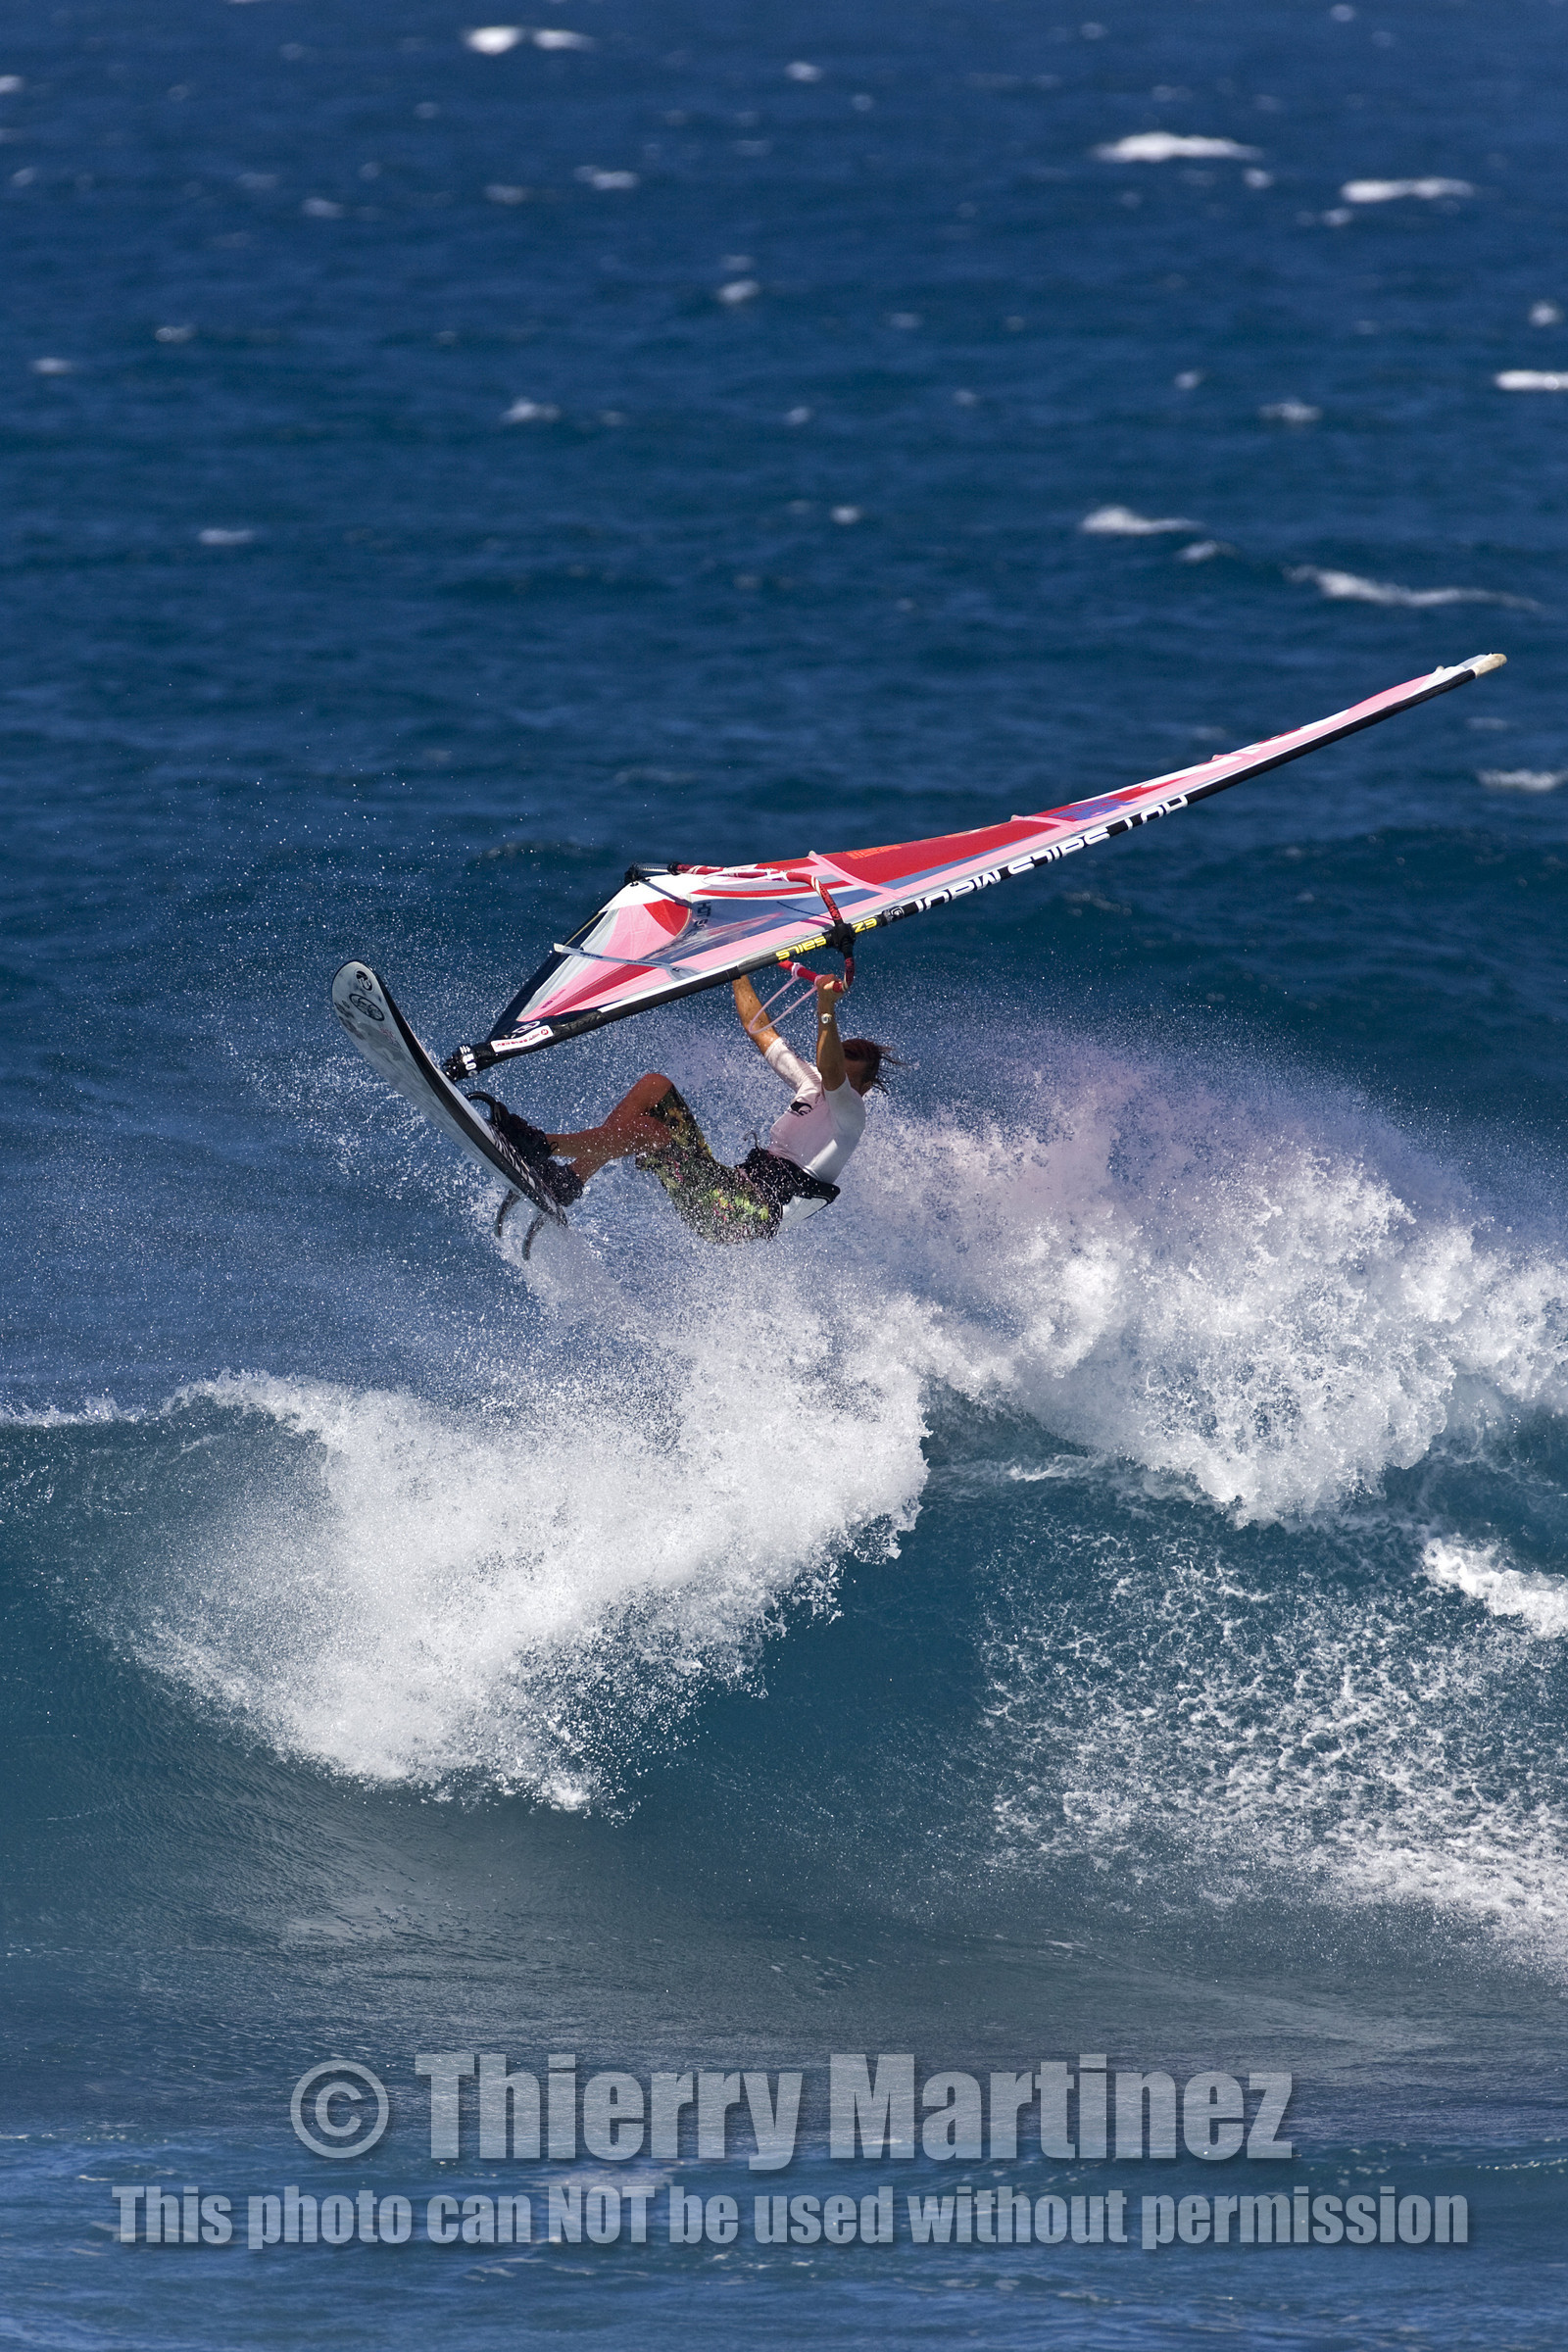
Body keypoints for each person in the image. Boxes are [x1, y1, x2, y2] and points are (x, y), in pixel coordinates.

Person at [468, 974, 891, 1244]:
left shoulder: (851, 1117)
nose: (834, 1076)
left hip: (742, 1214)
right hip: (727, 1185)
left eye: (849, 1078)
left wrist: (825, 1005)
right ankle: (567, 1182)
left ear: (866, 1087)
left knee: (654, 1135)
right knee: (656, 1088)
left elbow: (833, 1068)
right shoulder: (810, 1084)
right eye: (831, 1064)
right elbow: (757, 1028)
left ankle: (540, 1143)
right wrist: (738, 967)